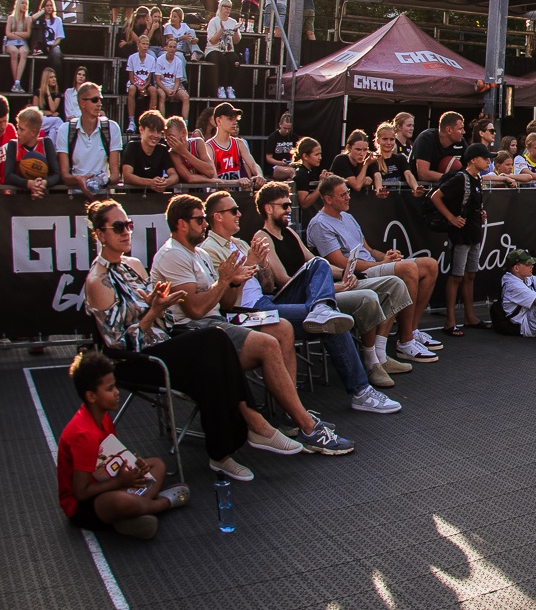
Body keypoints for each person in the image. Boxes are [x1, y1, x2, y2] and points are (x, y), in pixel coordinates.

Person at [81, 198, 280, 480]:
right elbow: (119, 345)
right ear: (100, 234)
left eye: (128, 224)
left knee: (216, 349)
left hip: (163, 339)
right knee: (213, 341)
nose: (126, 232)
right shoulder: (97, 281)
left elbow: (161, 315)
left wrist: (158, 307)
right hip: (135, 359)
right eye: (118, 227)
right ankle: (249, 425)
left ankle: (228, 447)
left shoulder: (133, 265)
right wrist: (154, 311)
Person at [147, 194, 355, 454]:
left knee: (282, 328)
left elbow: (226, 303)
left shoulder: (199, 253)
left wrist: (236, 280)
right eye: (200, 220)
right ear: (181, 224)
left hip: (224, 317)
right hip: (193, 331)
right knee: (268, 344)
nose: (205, 224)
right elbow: (196, 310)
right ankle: (308, 426)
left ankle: (290, 413)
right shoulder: (173, 255)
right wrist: (225, 280)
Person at [199, 189, 385, 413]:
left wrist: (262, 264)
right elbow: (225, 301)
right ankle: (360, 391)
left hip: (267, 299)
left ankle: (321, 308)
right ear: (218, 216)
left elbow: (268, 286)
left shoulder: (240, 244)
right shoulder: (209, 250)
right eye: (234, 210)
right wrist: (250, 263)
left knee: (319, 265)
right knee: (332, 321)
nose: (239, 214)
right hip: (245, 312)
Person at [304, 173, 442, 365]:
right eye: (343, 195)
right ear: (328, 199)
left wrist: (386, 257)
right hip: (354, 274)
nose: (348, 197)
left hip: (371, 266)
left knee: (429, 265)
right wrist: (381, 264)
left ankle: (412, 329)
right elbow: (341, 263)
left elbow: (368, 250)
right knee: (408, 269)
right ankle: (405, 341)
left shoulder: (348, 217)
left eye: (348, 192)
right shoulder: (319, 224)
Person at [56, 350, 191, 540]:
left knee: (157, 465)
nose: (117, 392)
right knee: (120, 502)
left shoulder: (103, 417)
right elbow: (81, 492)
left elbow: (112, 459)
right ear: (91, 396)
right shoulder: (84, 435)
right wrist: (121, 482)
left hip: (108, 483)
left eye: (115, 386)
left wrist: (134, 465)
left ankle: (132, 514)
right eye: (110, 389)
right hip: (84, 506)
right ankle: (162, 503)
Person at [431, 143, 493, 331]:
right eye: (485, 158)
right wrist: (451, 218)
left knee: (470, 275)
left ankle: (469, 316)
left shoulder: (477, 179)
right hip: (461, 233)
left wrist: (480, 213)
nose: (488, 161)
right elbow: (435, 197)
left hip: (474, 231)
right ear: (473, 160)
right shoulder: (460, 178)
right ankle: (450, 320)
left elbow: (471, 203)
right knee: (456, 276)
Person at [62, 82, 123, 194]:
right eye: (95, 100)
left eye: (100, 99)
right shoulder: (65, 130)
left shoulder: (112, 128)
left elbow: (115, 174)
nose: (99, 104)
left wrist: (103, 181)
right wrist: (80, 180)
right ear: (82, 103)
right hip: (75, 197)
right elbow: (65, 175)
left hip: (103, 196)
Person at [119, 111, 179, 193]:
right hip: (133, 197)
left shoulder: (162, 149)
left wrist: (165, 183)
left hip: (156, 197)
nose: (156, 135)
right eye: (151, 131)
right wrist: (150, 183)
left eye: (159, 132)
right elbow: (126, 177)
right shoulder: (132, 147)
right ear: (141, 130)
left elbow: (174, 175)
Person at [206, 0, 242, 99]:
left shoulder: (233, 22)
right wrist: (221, 29)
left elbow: (236, 41)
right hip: (213, 49)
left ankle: (229, 87)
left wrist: (236, 31)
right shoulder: (214, 21)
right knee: (222, 61)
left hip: (228, 50)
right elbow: (212, 41)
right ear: (220, 7)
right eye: (225, 7)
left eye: (229, 7)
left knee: (235, 61)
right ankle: (220, 87)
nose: (227, 9)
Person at [151, 35, 190, 118]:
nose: (172, 49)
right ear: (166, 47)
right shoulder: (160, 60)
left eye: (174, 47)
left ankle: (185, 122)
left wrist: (174, 91)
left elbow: (177, 81)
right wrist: (167, 90)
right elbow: (157, 80)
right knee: (162, 95)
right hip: (162, 86)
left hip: (174, 86)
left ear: (176, 49)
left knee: (186, 97)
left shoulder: (178, 61)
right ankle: (162, 121)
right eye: (170, 47)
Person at [2, 0, 33, 93]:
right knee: (14, 52)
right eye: (23, 3)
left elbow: (28, 34)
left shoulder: (28, 19)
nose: (24, 5)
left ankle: (17, 82)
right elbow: (8, 33)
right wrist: (19, 35)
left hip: (23, 43)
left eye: (26, 4)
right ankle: (16, 84)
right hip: (11, 42)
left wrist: (15, 33)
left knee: (23, 52)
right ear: (18, 4)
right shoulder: (11, 18)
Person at [34, 0, 67, 76]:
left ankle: (56, 79)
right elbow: (31, 19)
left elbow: (59, 38)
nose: (49, 7)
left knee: (56, 54)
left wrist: (52, 46)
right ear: (43, 7)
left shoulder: (57, 20)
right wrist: (41, 12)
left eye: (51, 5)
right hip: (41, 46)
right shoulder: (39, 20)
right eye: (47, 5)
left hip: (53, 46)